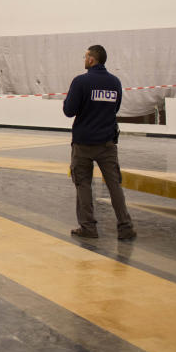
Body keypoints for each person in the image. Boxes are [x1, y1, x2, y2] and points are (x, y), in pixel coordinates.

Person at [63, 44, 137, 240]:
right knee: (114, 186)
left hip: (83, 144)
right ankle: (125, 227)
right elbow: (116, 108)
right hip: (107, 144)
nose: (84, 59)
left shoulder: (80, 82)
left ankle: (88, 227)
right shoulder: (115, 82)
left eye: (85, 56)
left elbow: (69, 110)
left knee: (83, 185)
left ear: (91, 59)